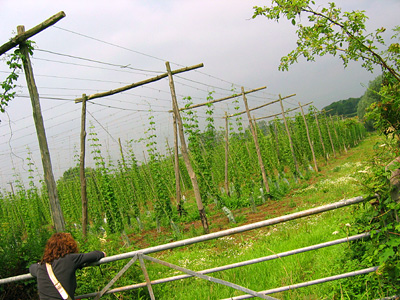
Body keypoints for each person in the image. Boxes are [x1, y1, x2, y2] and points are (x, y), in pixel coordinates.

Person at [29, 232, 105, 300]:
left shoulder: (42, 266)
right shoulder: (70, 259)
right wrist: (102, 253)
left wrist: (39, 264)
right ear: (70, 246)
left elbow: (31, 268)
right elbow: (94, 255)